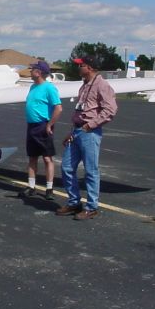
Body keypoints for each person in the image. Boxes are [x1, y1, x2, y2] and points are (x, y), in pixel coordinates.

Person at [57, 55, 117, 220]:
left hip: (90, 133)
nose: (78, 68)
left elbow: (110, 110)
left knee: (91, 171)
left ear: (89, 67)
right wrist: (72, 131)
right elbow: (79, 111)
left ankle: (92, 207)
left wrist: (90, 125)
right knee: (67, 168)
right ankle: (74, 202)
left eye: (81, 65)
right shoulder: (84, 86)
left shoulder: (102, 85)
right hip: (77, 131)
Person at [22, 60, 62, 200]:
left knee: (47, 158)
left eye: (32, 69)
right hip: (32, 126)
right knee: (32, 157)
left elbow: (58, 108)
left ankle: (49, 188)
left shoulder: (49, 88)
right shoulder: (32, 87)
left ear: (38, 72)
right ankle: (31, 186)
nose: (30, 71)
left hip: (43, 125)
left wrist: (49, 124)